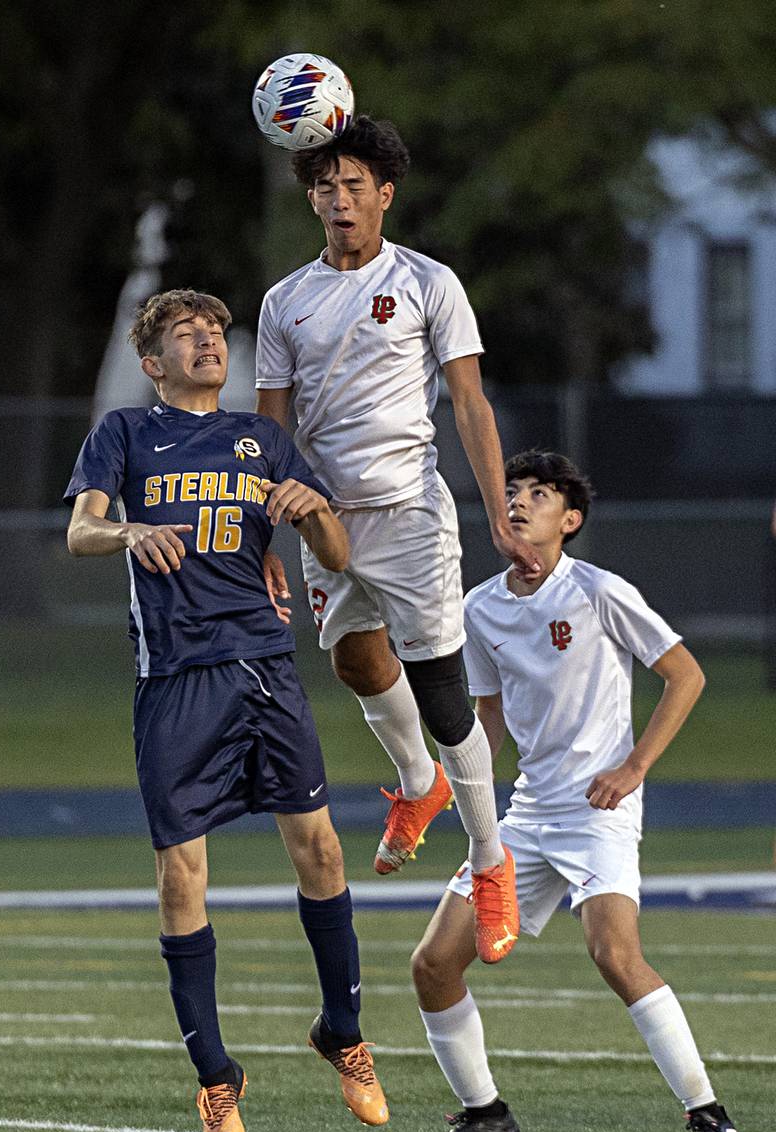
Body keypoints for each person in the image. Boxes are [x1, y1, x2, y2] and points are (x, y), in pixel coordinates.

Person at [64, 288, 388, 1132]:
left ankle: (344, 1029)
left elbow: (336, 557)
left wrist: (312, 509)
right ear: (154, 361)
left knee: (321, 849)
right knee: (181, 874)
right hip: (173, 678)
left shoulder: (264, 439)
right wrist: (129, 531)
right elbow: (78, 532)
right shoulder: (126, 435)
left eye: (215, 332)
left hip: (263, 666)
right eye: (187, 334)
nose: (209, 341)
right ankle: (215, 1075)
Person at [255, 116, 538, 963]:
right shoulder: (285, 302)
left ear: (385, 194)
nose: (340, 201)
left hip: (411, 514)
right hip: (322, 516)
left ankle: (491, 863)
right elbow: (270, 433)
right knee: (353, 663)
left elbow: (471, 404)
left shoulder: (427, 282)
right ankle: (419, 784)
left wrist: (497, 509)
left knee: (445, 691)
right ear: (310, 197)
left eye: (355, 187)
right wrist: (263, 538)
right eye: (325, 187)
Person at [410, 450, 741, 1132]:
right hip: (527, 814)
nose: (521, 501)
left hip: (599, 809)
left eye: (540, 492)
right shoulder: (481, 607)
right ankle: (485, 1114)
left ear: (571, 519)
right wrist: (451, 792)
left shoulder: (599, 591)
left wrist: (633, 766)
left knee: (614, 952)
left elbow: (685, 675)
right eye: (513, 491)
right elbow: (488, 719)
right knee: (433, 963)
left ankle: (710, 1117)